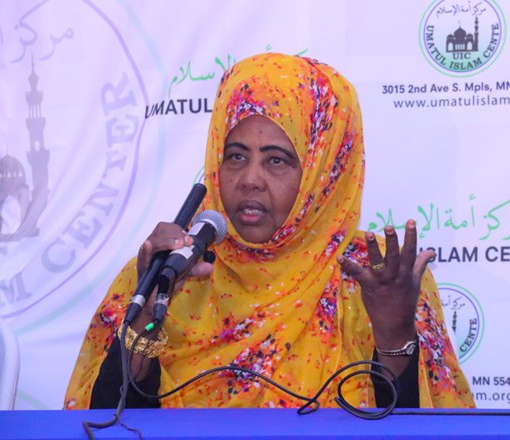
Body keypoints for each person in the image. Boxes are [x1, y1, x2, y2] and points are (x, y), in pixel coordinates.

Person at [64, 53, 474, 410]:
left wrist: (394, 335)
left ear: (324, 172)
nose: (249, 179)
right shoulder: (172, 267)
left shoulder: (377, 275)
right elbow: (108, 420)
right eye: (236, 156)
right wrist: (146, 314)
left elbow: (422, 427)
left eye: (276, 160)